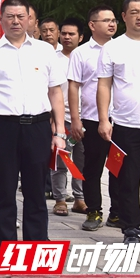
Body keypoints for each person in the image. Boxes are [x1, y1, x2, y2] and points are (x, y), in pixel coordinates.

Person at [0, 0, 67, 257]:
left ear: (30, 20)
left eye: (20, 16)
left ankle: (37, 247)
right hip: (3, 128)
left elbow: (56, 93)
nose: (15, 21)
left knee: (36, 190)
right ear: (1, 19)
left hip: (38, 127)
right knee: (4, 191)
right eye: (10, 17)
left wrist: (59, 131)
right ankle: (5, 249)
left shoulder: (45, 50)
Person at [97, 0, 140, 247]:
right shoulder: (113, 47)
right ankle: (131, 228)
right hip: (125, 125)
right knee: (128, 180)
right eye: (134, 12)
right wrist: (103, 119)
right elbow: (104, 85)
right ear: (124, 16)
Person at [68, 5, 120, 231]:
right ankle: (94, 211)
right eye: (106, 20)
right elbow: (73, 87)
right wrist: (76, 120)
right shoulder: (81, 52)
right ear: (92, 25)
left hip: (121, 119)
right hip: (91, 119)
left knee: (121, 168)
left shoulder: (122, 48)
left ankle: (118, 212)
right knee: (92, 167)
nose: (112, 24)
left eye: (114, 20)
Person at [50, 18, 86, 217]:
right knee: (60, 161)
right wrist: (53, 120)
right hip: (61, 118)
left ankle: (80, 199)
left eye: (71, 34)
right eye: (63, 33)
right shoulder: (52, 59)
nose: (66, 37)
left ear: (80, 37)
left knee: (82, 161)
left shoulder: (87, 57)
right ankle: (60, 199)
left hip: (85, 117)